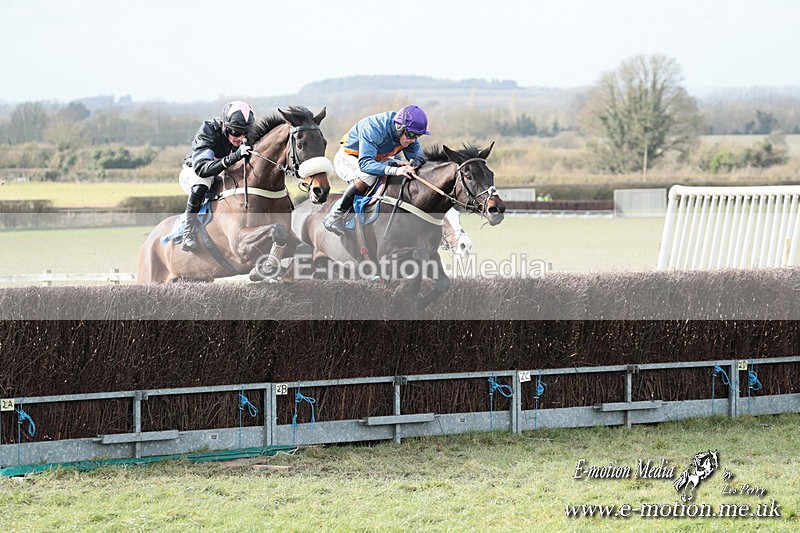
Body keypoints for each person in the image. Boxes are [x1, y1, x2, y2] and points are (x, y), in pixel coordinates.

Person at [323, 105, 431, 236]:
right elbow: (365, 164)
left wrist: (415, 163)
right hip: (349, 158)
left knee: (402, 168)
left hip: (377, 159)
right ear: (399, 127)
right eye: (411, 135)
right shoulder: (374, 128)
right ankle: (335, 215)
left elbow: (419, 159)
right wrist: (396, 171)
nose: (413, 140)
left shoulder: (408, 133)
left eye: (418, 136)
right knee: (368, 175)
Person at [178, 101, 255, 251]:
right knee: (202, 183)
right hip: (194, 172)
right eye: (236, 132)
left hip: (222, 172)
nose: (240, 138)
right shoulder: (209, 130)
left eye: (245, 133)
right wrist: (234, 157)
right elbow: (202, 169)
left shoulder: (246, 135)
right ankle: (187, 233)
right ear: (225, 127)